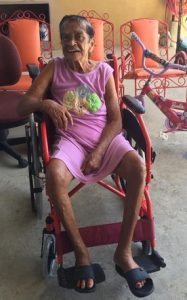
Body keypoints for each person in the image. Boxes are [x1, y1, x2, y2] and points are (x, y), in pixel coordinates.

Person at [17, 15, 154, 297]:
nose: (71, 42)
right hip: (70, 141)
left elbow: (116, 120)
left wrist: (99, 150)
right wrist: (46, 102)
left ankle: (124, 253)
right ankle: (81, 254)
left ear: (91, 43)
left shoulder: (103, 71)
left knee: (139, 167)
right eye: (66, 37)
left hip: (105, 139)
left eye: (78, 36)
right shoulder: (54, 69)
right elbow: (23, 105)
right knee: (54, 174)